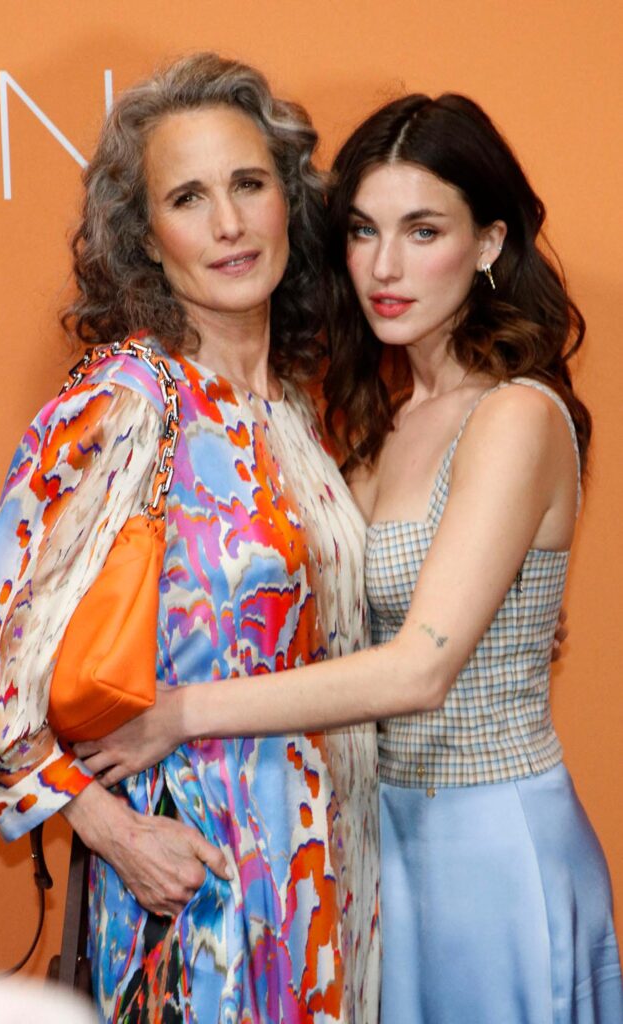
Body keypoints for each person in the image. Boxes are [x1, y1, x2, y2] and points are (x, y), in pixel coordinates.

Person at [82, 94, 623, 1022]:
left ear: (491, 244)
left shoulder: (517, 416)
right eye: (365, 230)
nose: (384, 267)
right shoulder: (376, 422)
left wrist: (179, 714)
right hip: (374, 845)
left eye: (423, 231)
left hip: (484, 847)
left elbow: (418, 668)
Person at [0, 55, 380, 1023]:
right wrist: (112, 831)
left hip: (319, 877)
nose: (228, 223)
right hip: (198, 895)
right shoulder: (130, 400)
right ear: (146, 238)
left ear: (287, 201)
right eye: (189, 197)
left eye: (247, 185)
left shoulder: (297, 407)